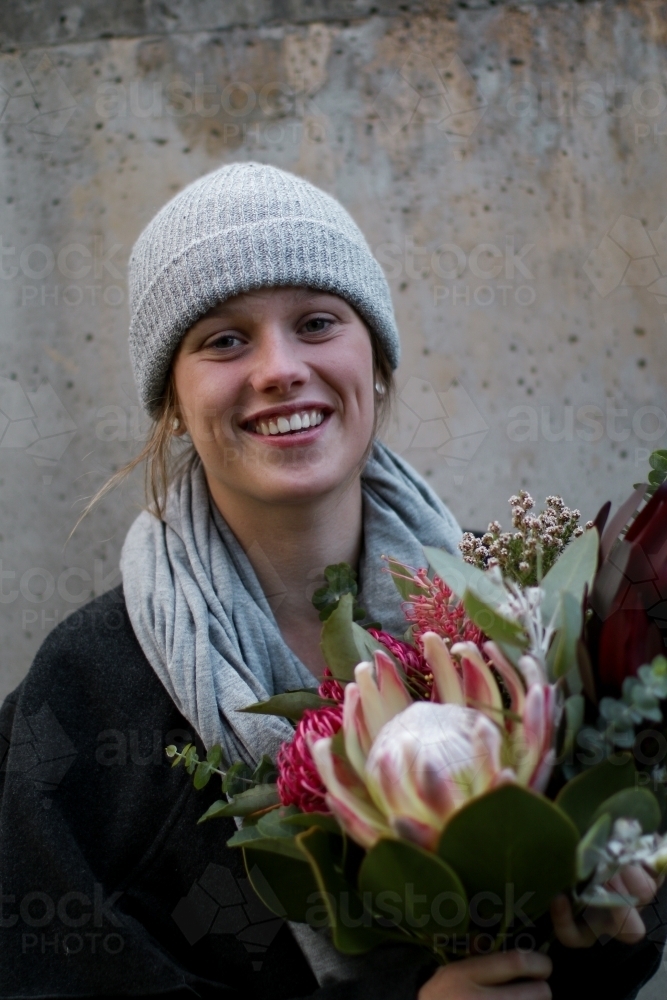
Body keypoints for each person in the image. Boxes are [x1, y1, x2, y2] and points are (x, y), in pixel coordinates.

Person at [0, 162, 664, 1000]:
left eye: (316, 322)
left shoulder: (520, 626)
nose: (279, 368)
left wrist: (602, 915)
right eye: (223, 339)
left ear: (375, 361)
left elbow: (612, 955)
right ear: (170, 397)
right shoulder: (87, 692)